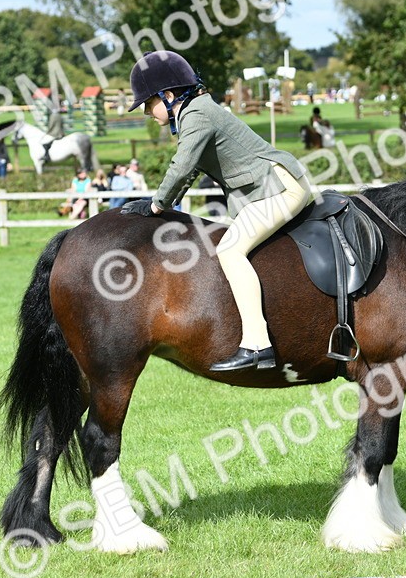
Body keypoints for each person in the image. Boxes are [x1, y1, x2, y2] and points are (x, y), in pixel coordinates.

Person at [123, 50, 311, 372]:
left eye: (147, 103)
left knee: (230, 250)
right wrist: (164, 204)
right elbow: (191, 169)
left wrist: (156, 204)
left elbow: (182, 167)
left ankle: (257, 344)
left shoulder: (197, 114)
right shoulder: (195, 112)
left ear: (168, 96)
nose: (145, 112)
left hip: (279, 188)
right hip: (270, 187)